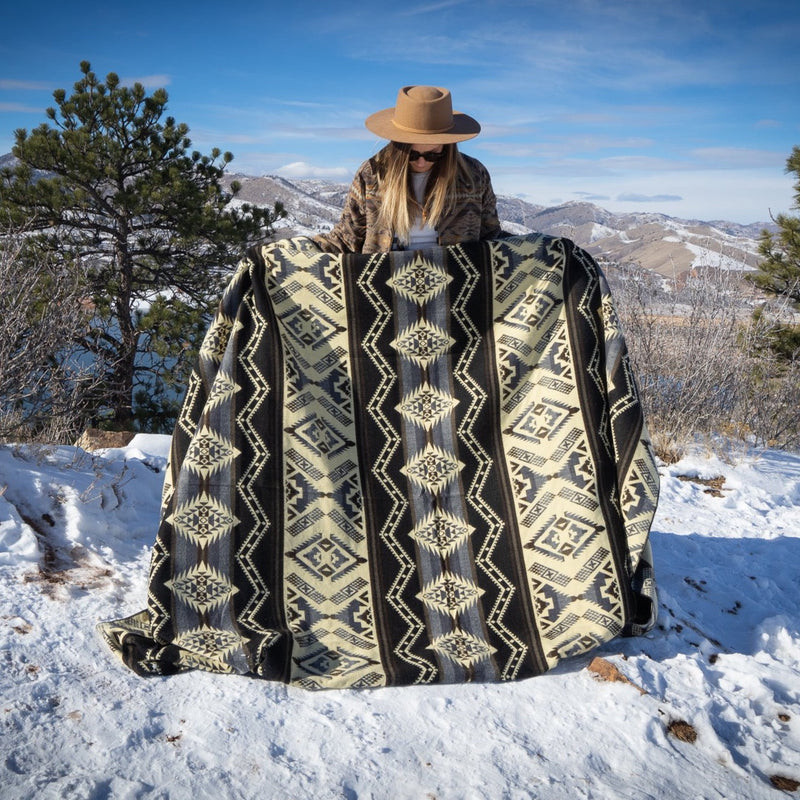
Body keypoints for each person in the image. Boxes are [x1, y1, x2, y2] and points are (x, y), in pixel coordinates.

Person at [314, 85, 503, 254]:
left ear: (448, 147)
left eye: (433, 155)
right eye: (411, 154)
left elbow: (490, 235)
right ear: (398, 148)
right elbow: (348, 238)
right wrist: (303, 250)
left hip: (457, 278)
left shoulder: (474, 175)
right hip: (386, 278)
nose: (421, 162)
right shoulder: (372, 174)